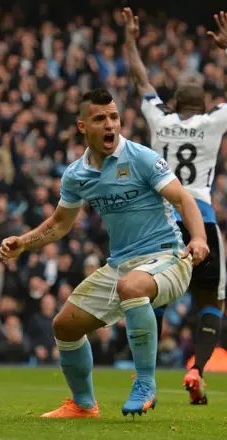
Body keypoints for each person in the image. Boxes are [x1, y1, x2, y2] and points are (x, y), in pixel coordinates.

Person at [0, 88, 209, 418]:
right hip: (122, 266)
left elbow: (185, 199)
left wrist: (198, 238)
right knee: (65, 326)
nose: (111, 124)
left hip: (168, 257)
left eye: (114, 117)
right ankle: (84, 404)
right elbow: (60, 222)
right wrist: (24, 242)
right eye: (100, 118)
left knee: (132, 287)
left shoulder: (141, 158)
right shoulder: (76, 175)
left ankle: (145, 383)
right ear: (84, 127)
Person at [124, 7, 227, 404]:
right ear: (203, 106)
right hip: (200, 214)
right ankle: (197, 371)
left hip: (161, 219)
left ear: (172, 102)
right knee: (211, 300)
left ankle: (144, 376)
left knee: (155, 296)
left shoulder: (159, 119)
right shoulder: (214, 121)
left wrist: (131, 39)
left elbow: (140, 79)